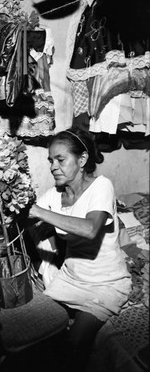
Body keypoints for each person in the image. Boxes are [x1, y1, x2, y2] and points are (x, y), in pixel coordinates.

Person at [27, 127, 132, 358]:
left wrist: (38, 212)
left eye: (61, 159)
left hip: (104, 283)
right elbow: (27, 217)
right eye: (51, 160)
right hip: (70, 278)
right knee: (40, 330)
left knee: (72, 345)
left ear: (82, 159)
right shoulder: (56, 194)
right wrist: (14, 202)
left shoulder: (101, 186)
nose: (53, 166)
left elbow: (90, 228)